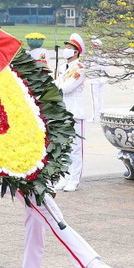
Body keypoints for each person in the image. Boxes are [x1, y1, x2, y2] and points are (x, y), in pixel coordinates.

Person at [56, 33, 87, 192]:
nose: (65, 50)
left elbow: (66, 88)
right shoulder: (62, 68)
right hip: (62, 111)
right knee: (64, 147)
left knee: (75, 148)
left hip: (75, 110)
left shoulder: (79, 69)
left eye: (69, 48)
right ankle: (65, 177)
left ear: (76, 52)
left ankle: (74, 180)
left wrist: (54, 87)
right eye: (65, 47)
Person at [87, 37, 108, 122]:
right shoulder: (104, 54)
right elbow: (107, 67)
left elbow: (87, 66)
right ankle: (101, 116)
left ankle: (95, 117)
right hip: (102, 78)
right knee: (100, 98)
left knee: (94, 99)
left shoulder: (91, 55)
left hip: (93, 79)